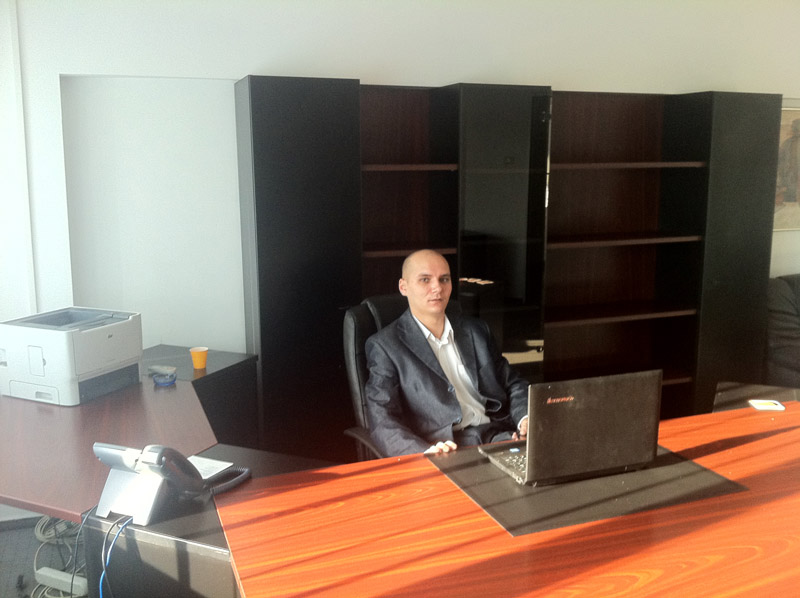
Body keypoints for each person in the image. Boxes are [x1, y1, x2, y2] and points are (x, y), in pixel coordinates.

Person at [364, 249, 529, 457]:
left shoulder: (477, 330)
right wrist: (423, 453)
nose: (437, 288)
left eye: (444, 279)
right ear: (403, 287)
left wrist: (525, 417)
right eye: (425, 280)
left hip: (501, 435)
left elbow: (512, 383)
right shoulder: (385, 346)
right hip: (447, 448)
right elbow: (381, 419)